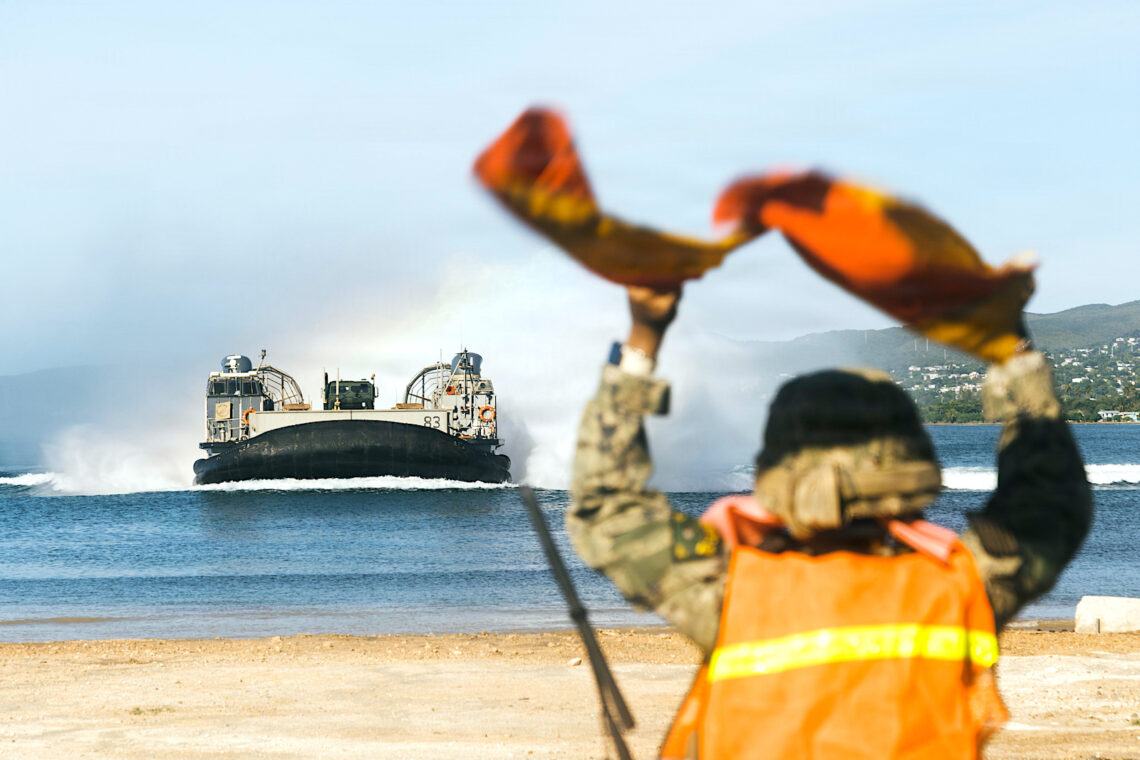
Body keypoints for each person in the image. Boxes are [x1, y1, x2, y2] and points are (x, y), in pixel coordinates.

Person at [567, 285, 1092, 759]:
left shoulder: (734, 592)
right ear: (912, 465)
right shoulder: (960, 585)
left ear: (776, 469)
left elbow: (605, 504)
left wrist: (642, 340)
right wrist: (1012, 350)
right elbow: (1048, 502)